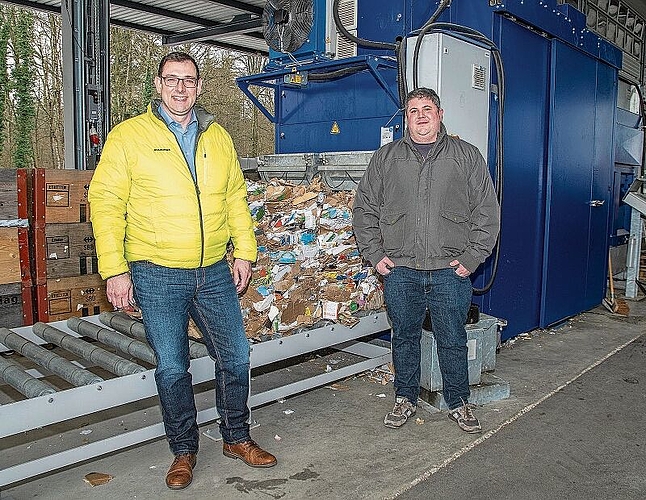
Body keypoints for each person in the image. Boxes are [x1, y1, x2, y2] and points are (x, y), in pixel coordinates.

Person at [88, 51, 276, 490]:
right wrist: (114, 269)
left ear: (199, 86)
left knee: (237, 356)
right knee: (173, 367)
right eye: (171, 79)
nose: (180, 88)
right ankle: (184, 450)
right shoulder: (129, 136)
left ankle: (236, 437)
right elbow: (106, 203)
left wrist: (245, 251)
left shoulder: (218, 137)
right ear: (157, 84)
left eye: (188, 80)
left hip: (213, 269)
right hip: (156, 272)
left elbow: (234, 197)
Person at [352, 87, 500, 433]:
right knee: (404, 337)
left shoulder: (466, 156)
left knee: (452, 338)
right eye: (413, 110)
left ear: (440, 115)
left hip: (450, 271)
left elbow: (487, 213)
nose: (420, 115)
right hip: (401, 270)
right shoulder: (387, 158)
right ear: (406, 118)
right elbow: (364, 210)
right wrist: (375, 254)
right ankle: (404, 398)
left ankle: (459, 402)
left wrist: (472, 257)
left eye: (427, 109)